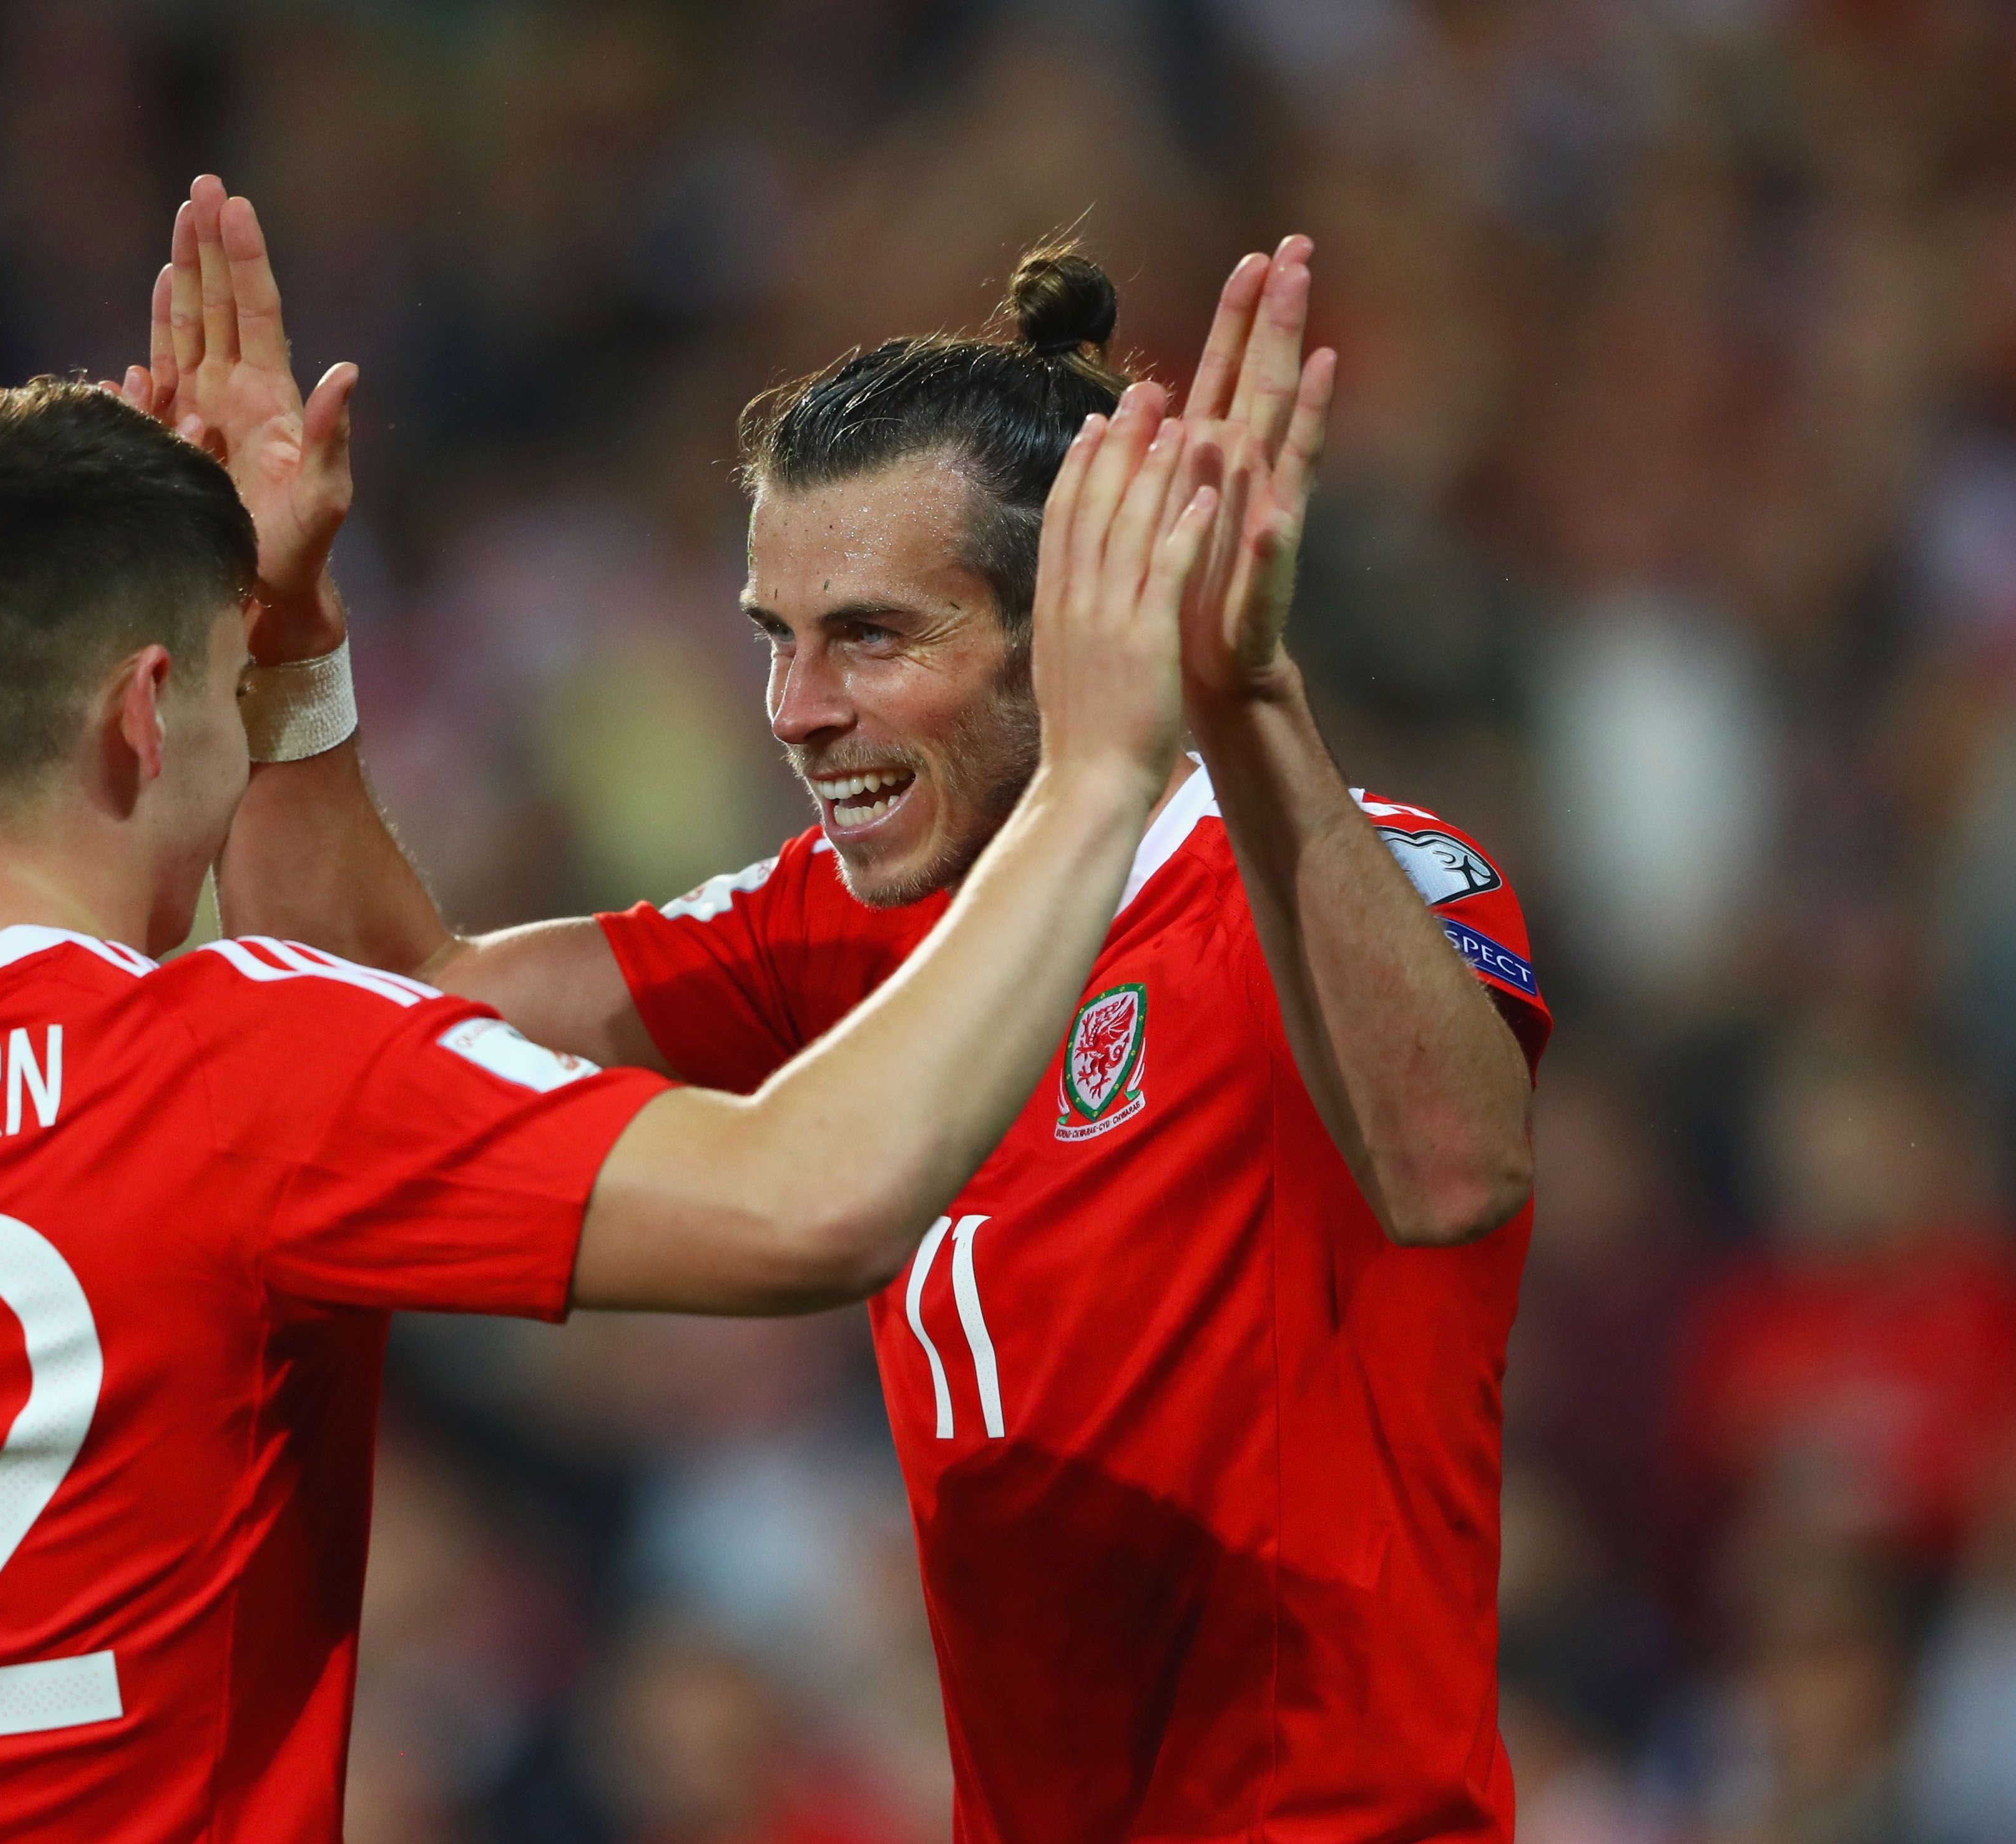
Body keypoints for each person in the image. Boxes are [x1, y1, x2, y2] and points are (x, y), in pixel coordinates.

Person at [0, 375, 1223, 1841]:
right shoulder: (221, 1064)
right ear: (148, 712)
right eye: (226, 688)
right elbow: (815, 1202)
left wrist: (143, 611)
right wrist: (1096, 770)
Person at [150, 177, 1551, 1840]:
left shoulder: (1345, 876)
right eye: (778, 640)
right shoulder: (846, 923)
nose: (797, 711)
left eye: (873, 639)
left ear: (1066, 625)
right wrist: (281, 634)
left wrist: (1237, 696)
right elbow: (384, 1008)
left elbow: (1453, 1170)